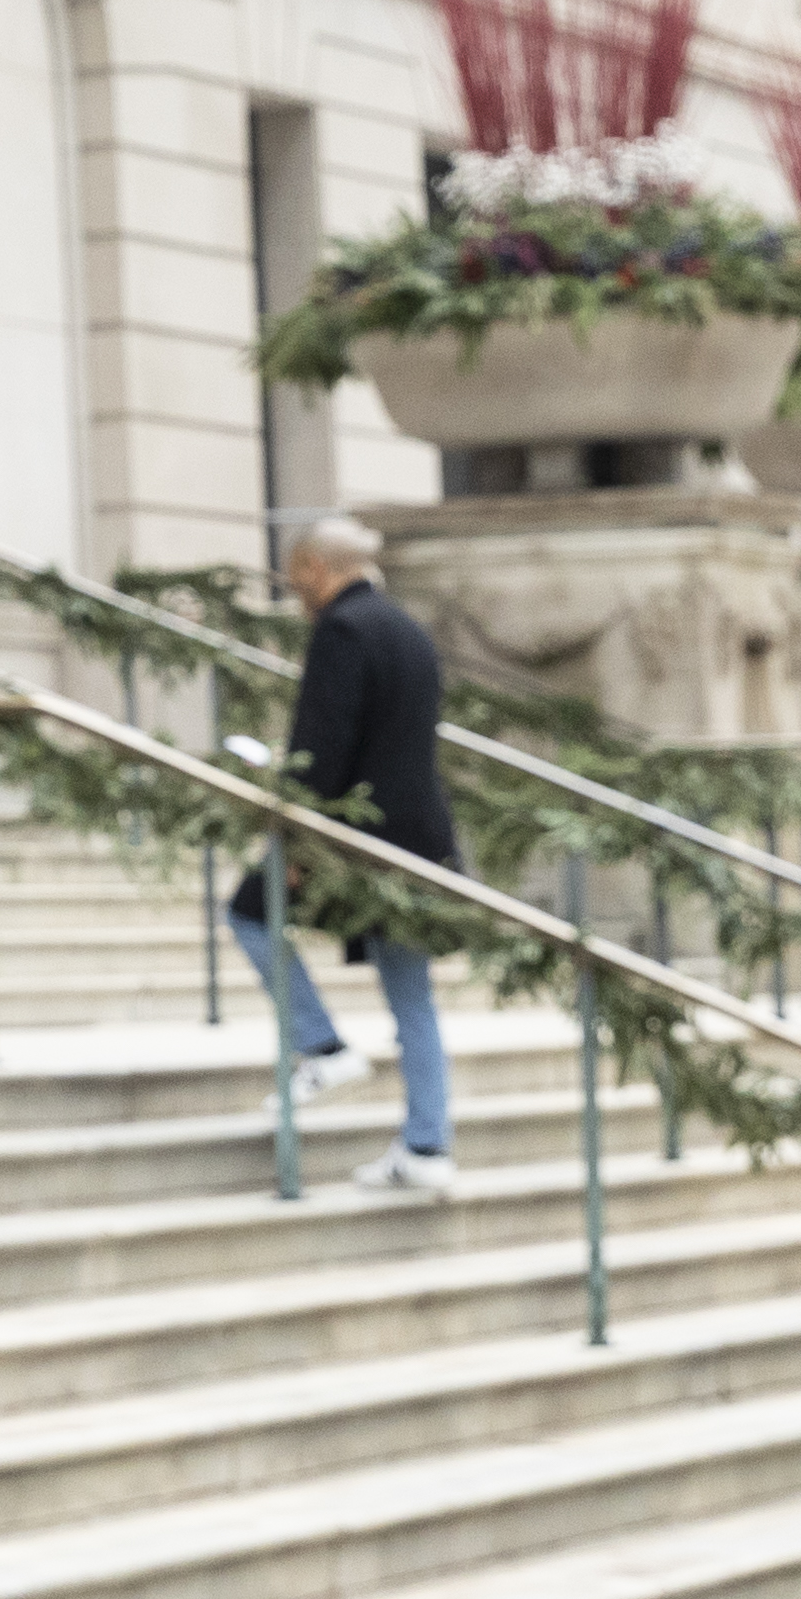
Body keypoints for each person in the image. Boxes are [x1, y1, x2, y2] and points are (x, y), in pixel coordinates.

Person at [231, 511, 461, 1200]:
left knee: (248, 913)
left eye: (293, 573)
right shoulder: (406, 630)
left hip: (356, 837)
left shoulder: (341, 631)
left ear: (315, 568)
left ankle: (323, 1048)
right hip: (418, 835)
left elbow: (323, 746)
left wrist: (296, 836)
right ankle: (427, 1144)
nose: (292, 587)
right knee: (411, 997)